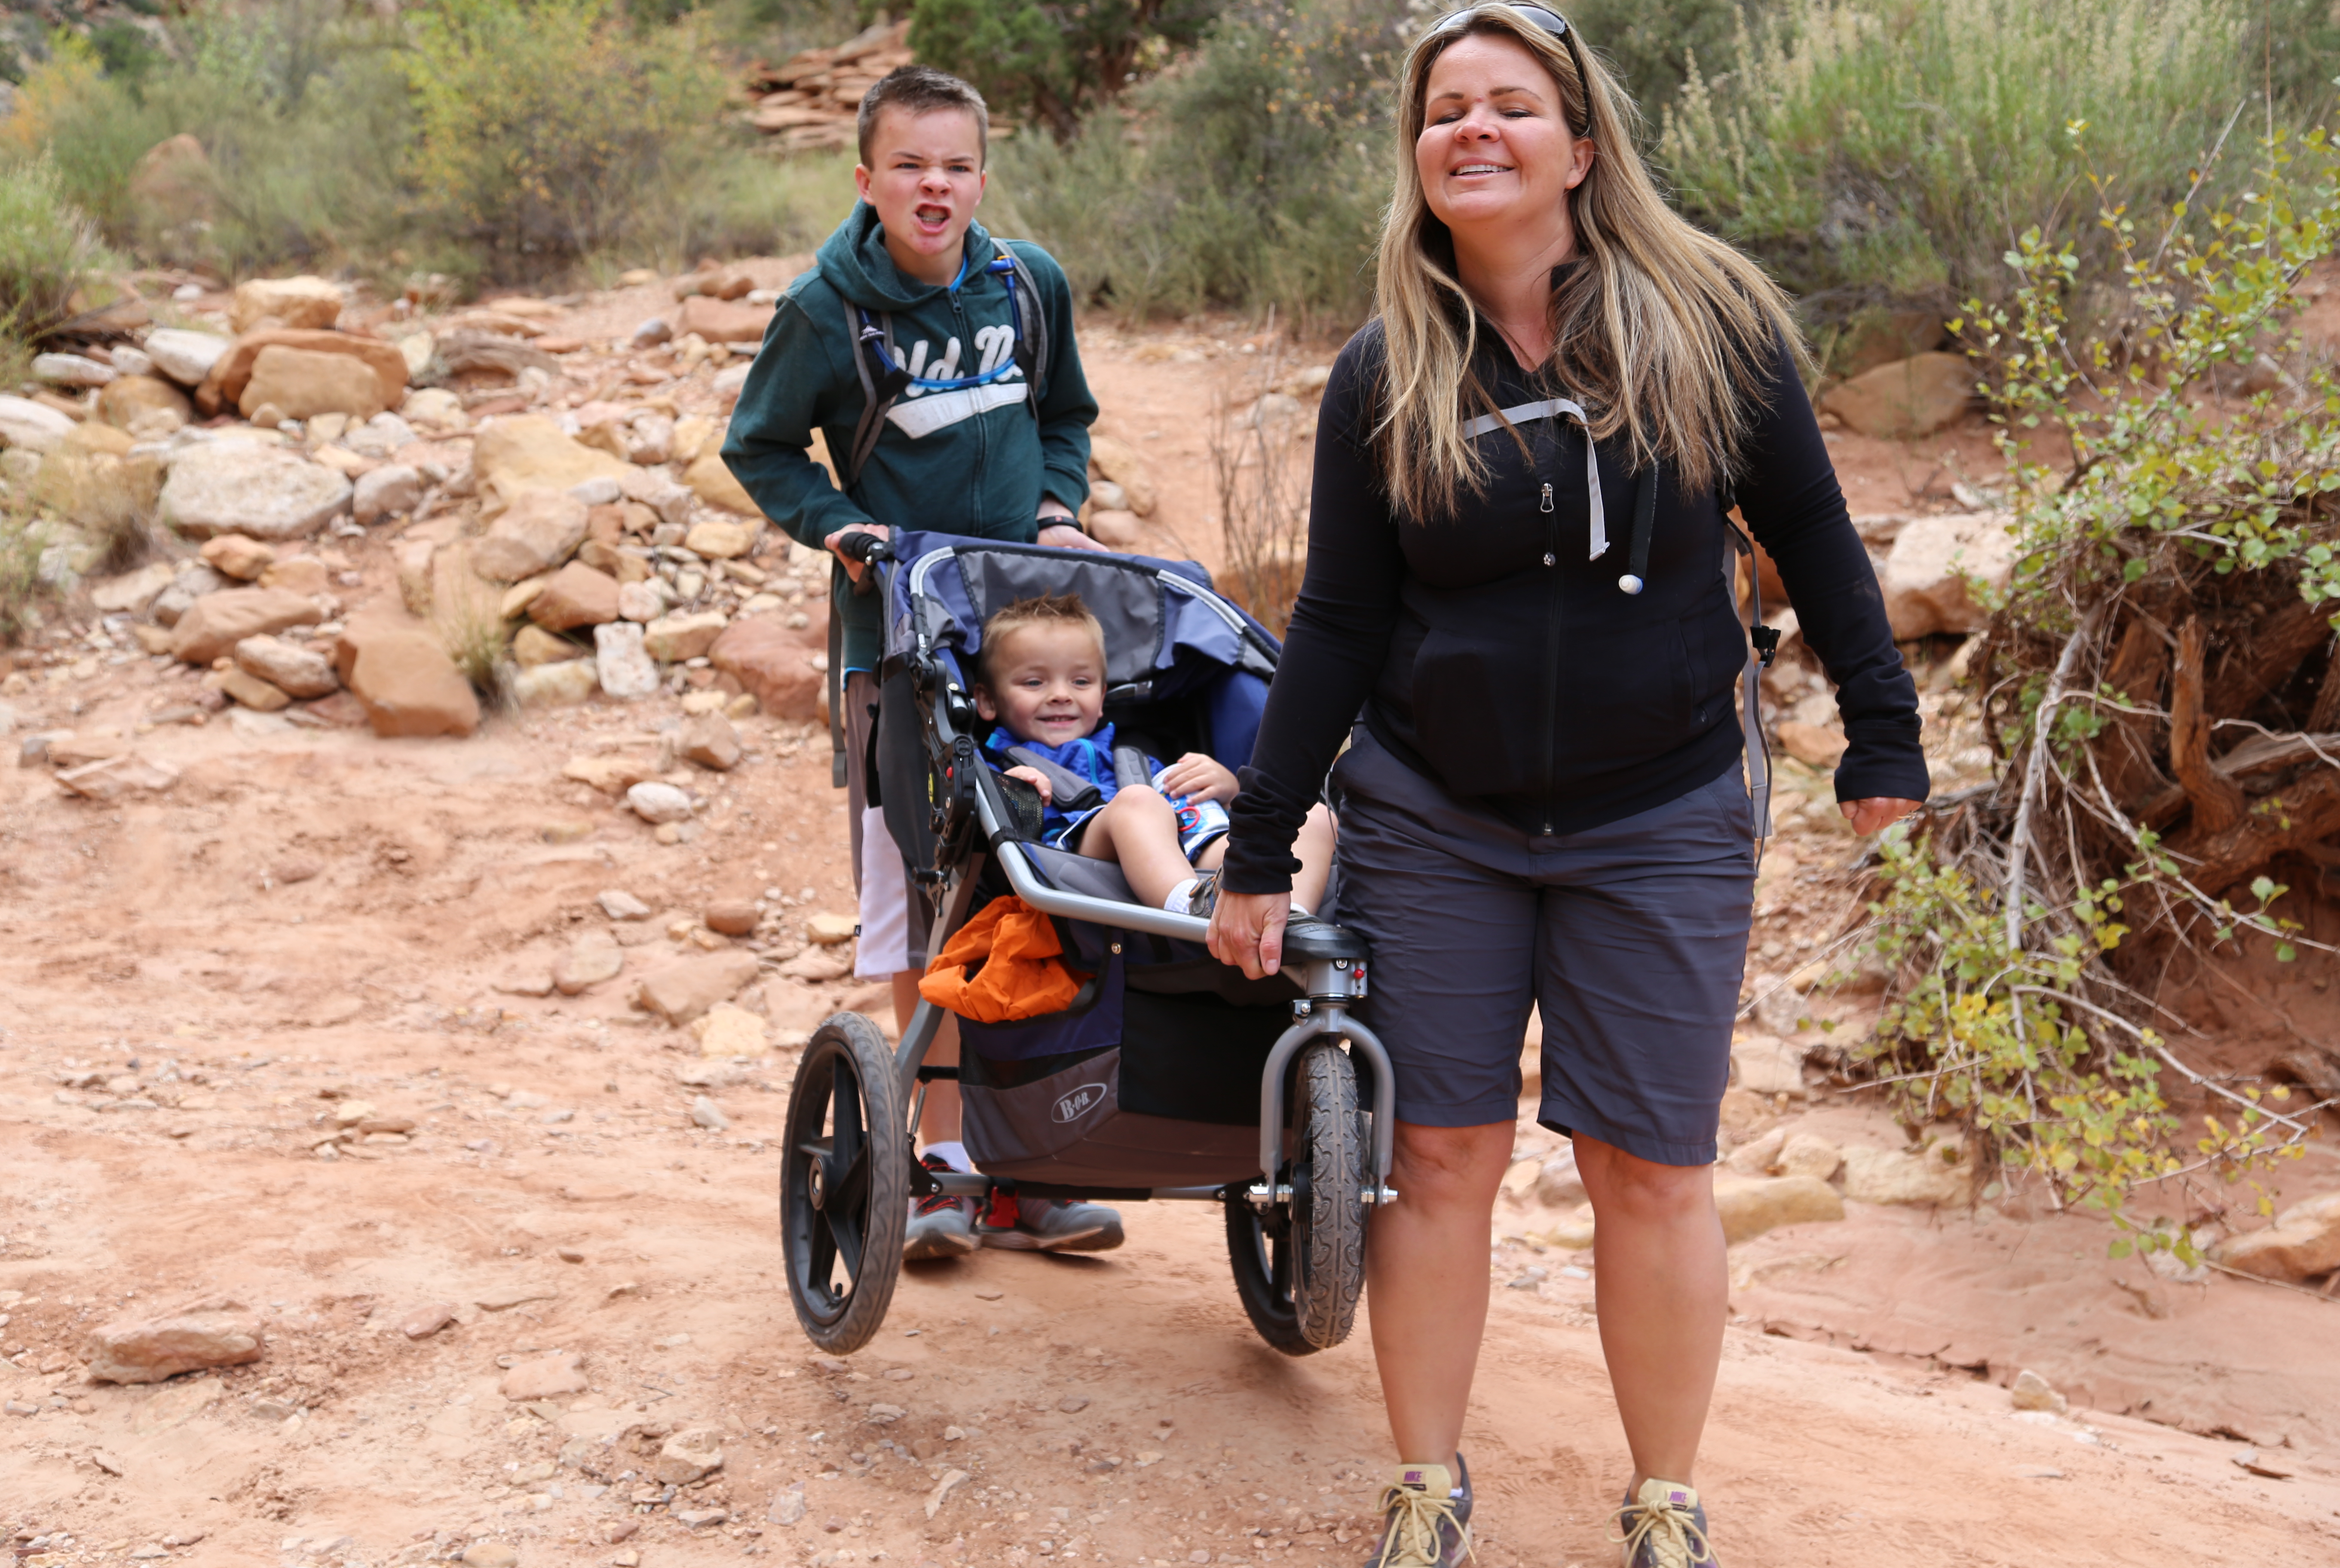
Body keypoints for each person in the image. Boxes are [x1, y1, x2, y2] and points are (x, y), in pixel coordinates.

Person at [1204, 9, 1928, 1568]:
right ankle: (1424, 1481)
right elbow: (1334, 618)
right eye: (1442, 109)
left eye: (1509, 106)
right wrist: (1257, 845)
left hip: (1659, 812)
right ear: (1416, 158)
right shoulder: (1383, 369)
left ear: (1580, 146)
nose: (1471, 129)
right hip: (1432, 812)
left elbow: (1815, 540)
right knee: (1445, 1149)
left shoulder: (1711, 326)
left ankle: (1662, 1499)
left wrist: (1882, 740)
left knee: (1651, 1165)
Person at [722, 62, 1124, 1260]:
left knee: (1039, 881)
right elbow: (759, 447)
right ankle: (941, 1170)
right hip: (896, 648)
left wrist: (1057, 508)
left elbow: (1064, 416)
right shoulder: (826, 311)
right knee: (923, 902)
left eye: (954, 166)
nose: (932, 187)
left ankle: (1029, 1160)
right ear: (868, 179)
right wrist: (837, 522)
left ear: (981, 178)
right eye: (909, 166)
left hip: (1027, 640)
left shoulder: (1027, 285)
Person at [974, 593, 1338, 914]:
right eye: (1035, 682)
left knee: (1311, 817)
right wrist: (1012, 793)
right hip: (1077, 859)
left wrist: (1229, 789)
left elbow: (1191, 812)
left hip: (1179, 852)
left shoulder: (1129, 760)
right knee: (1138, 800)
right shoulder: (1001, 763)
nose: (1061, 695)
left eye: (1080, 682)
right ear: (987, 701)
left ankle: (1291, 919)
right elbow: (984, 829)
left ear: (1102, 699)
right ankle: (1188, 907)